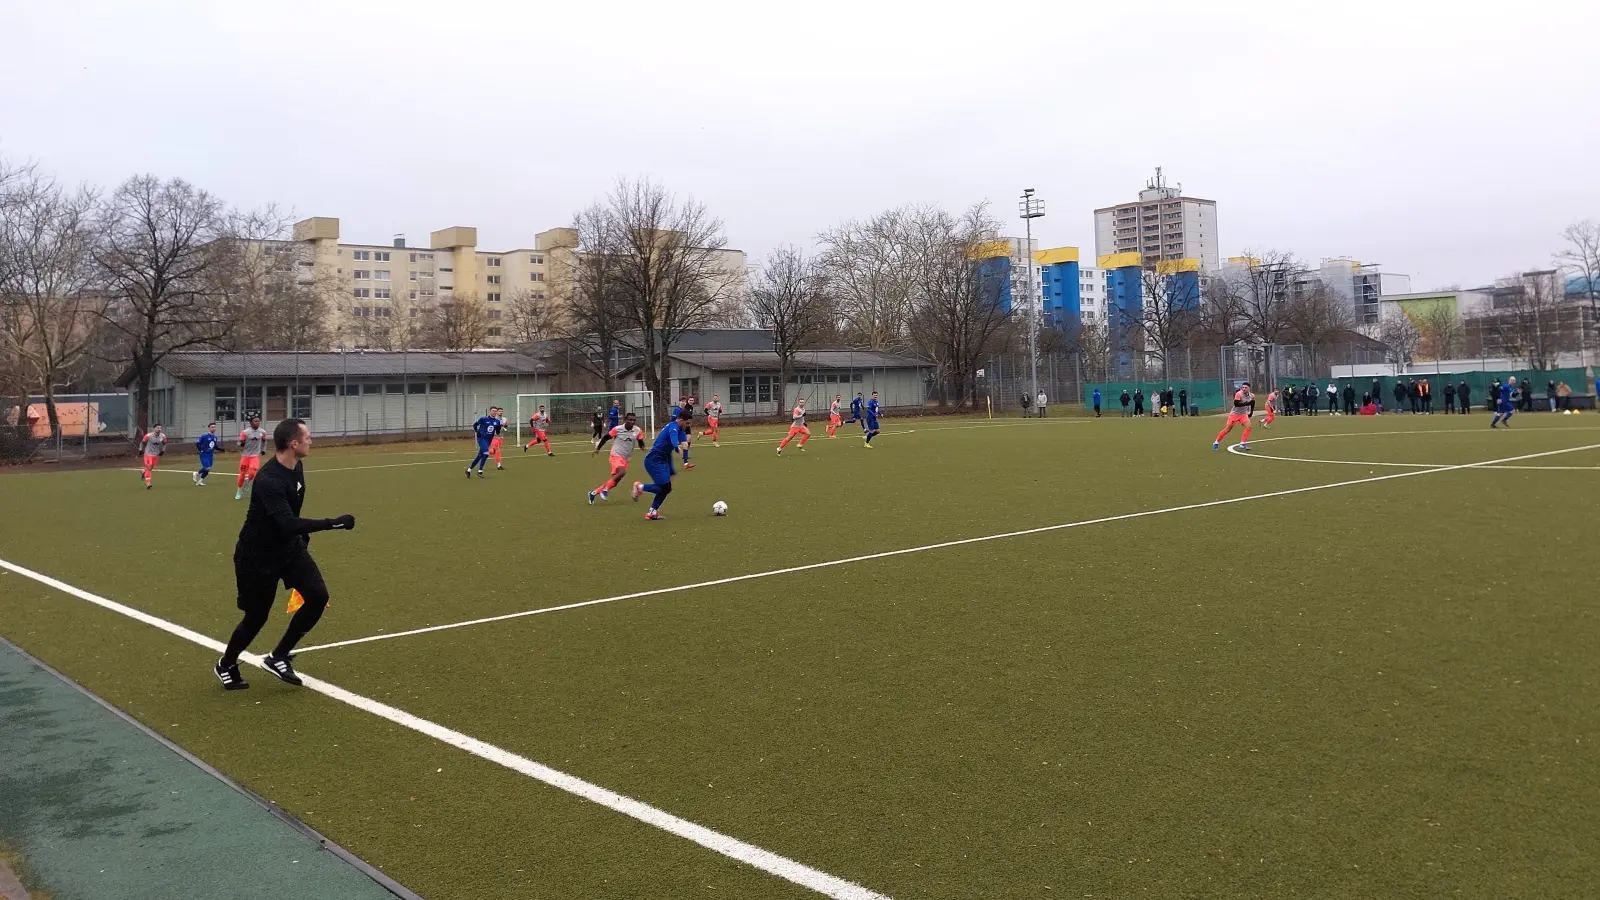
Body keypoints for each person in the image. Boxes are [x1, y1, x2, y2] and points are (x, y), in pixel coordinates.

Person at [214, 417, 355, 690]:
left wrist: (301, 538)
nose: (311, 441)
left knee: (317, 596)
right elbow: (287, 522)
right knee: (256, 617)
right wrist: (332, 523)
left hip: (289, 549)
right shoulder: (269, 480)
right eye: (307, 437)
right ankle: (226, 664)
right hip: (257, 556)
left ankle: (279, 656)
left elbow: (292, 519)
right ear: (293, 443)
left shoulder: (297, 466)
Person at [632, 408, 693, 520]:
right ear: (680, 420)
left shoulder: (681, 429)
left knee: (667, 487)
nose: (687, 425)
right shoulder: (673, 426)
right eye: (687, 423)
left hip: (665, 457)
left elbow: (684, 444)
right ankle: (639, 486)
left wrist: (685, 456)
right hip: (654, 458)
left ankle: (652, 512)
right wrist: (676, 448)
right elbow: (674, 439)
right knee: (665, 487)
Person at [589, 411, 644, 504]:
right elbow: (605, 438)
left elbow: (640, 440)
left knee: (614, 482)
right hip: (615, 455)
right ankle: (605, 490)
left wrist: (642, 447)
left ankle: (593, 493)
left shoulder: (637, 430)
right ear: (625, 420)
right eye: (630, 420)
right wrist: (597, 448)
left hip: (625, 459)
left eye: (634, 420)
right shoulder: (617, 429)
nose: (632, 422)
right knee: (622, 472)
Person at [1213, 382, 1255, 451]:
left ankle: (1242, 443)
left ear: (1249, 388)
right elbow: (1236, 404)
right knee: (1227, 429)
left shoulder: (1252, 395)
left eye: (1245, 387)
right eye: (1243, 387)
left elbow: (1253, 403)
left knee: (1248, 427)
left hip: (1243, 414)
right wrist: (1247, 403)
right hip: (1234, 414)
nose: (1244, 389)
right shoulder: (1238, 394)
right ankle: (1216, 442)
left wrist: (1251, 412)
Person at [236, 415, 267, 500]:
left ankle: (247, 480)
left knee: (253, 472)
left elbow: (264, 442)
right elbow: (238, 442)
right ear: (251, 422)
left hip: (255, 456)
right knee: (242, 474)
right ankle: (239, 491)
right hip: (245, 456)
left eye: (258, 421)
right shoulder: (245, 432)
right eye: (255, 421)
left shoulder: (263, 432)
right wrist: (241, 444)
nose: (257, 422)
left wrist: (263, 450)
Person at [467, 409, 505, 478]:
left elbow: (498, 432)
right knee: (486, 453)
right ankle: (480, 471)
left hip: (488, 440)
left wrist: (499, 427)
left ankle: (468, 470)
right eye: (493, 410)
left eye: (495, 411)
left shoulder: (497, 421)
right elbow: (475, 425)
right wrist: (477, 432)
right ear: (490, 411)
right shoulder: (483, 419)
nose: (494, 412)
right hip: (481, 439)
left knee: (479, 456)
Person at [139, 424, 167, 489]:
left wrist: (163, 451)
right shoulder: (148, 436)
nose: (159, 429)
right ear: (154, 429)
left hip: (156, 454)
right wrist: (140, 449)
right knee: (149, 467)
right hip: (148, 454)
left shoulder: (163, 436)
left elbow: (165, 444)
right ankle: (148, 483)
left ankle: (143, 471)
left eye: (160, 428)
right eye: (157, 428)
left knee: (150, 467)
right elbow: (142, 442)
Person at [670, 398, 695, 468]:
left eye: (684, 401)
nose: (683, 403)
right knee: (671, 445)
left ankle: (686, 464)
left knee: (685, 444)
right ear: (679, 402)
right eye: (682, 401)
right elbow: (672, 419)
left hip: (681, 430)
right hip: (676, 429)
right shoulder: (677, 410)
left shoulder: (685, 410)